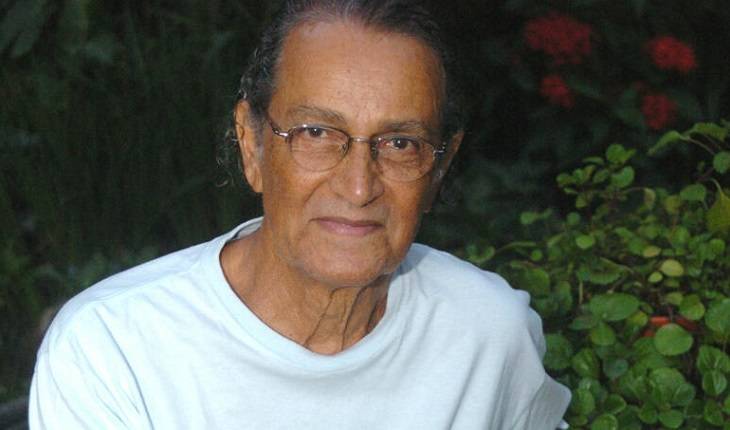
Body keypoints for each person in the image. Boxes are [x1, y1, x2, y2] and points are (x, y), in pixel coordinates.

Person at [29, 0, 571, 428]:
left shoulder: (487, 334)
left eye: (400, 143)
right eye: (316, 133)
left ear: (440, 167)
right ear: (252, 145)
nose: (359, 186)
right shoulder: (115, 350)